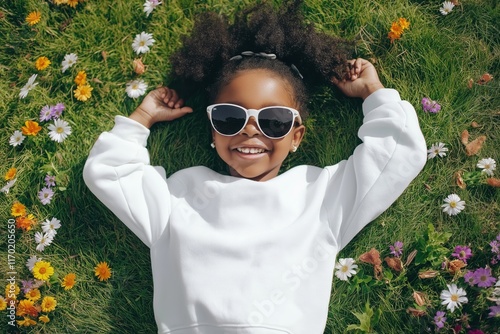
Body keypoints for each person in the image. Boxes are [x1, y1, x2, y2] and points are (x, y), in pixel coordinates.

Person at [83, 1, 427, 333]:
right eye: (230, 117)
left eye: (274, 120)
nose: (251, 129)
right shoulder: (180, 196)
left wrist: (373, 92)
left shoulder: (320, 196)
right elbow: (110, 173)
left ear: (296, 137)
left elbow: (397, 155)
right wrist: (141, 118)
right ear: (213, 133)